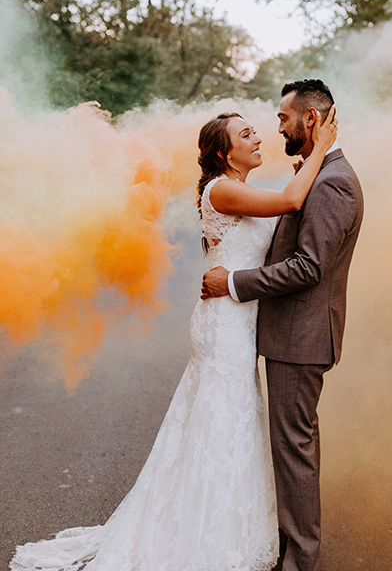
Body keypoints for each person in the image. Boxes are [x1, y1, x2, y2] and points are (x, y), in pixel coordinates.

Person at [10, 101, 337, 571]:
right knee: (222, 424)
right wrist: (322, 147)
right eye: (246, 135)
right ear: (226, 155)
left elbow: (286, 199)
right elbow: (291, 201)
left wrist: (309, 163)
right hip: (225, 326)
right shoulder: (224, 191)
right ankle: (205, 536)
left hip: (237, 322)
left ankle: (224, 525)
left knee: (228, 425)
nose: (258, 138)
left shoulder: (239, 187)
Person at [202, 79, 364, 571]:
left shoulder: (332, 180)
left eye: (282, 119)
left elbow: (309, 267)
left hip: (301, 338)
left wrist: (234, 282)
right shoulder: (315, 174)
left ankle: (299, 561)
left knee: (293, 448)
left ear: (309, 120)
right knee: (284, 444)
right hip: (287, 334)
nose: (276, 129)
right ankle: (278, 542)